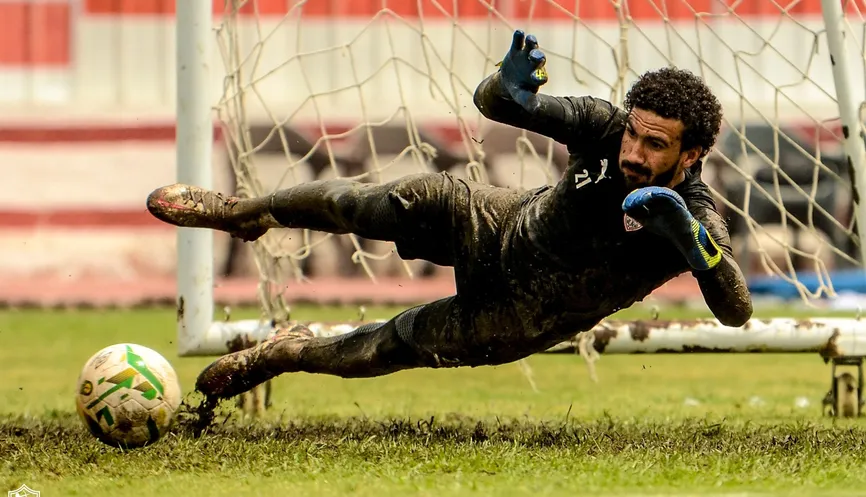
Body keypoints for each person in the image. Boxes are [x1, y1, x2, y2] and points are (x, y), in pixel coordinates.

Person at [146, 30, 753, 401]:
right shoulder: (604, 126)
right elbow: (498, 105)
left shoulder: (696, 215)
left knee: (383, 349)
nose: (634, 152)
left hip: (524, 314)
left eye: (655, 145)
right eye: (634, 135)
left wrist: (692, 244)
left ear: (692, 154)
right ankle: (243, 213)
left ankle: (282, 354)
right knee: (365, 203)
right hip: (497, 222)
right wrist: (504, 87)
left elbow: (736, 310)